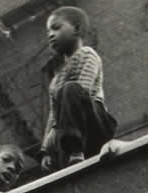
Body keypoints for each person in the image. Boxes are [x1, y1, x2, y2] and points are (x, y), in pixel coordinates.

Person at [42, 6, 116, 172]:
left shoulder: (87, 54)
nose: (50, 35)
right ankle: (69, 161)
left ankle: (75, 151)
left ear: (76, 28)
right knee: (61, 111)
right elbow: (53, 113)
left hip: (95, 122)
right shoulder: (56, 79)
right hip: (70, 128)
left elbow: (83, 89)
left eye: (56, 27)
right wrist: (46, 150)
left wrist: (57, 128)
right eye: (48, 31)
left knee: (69, 90)